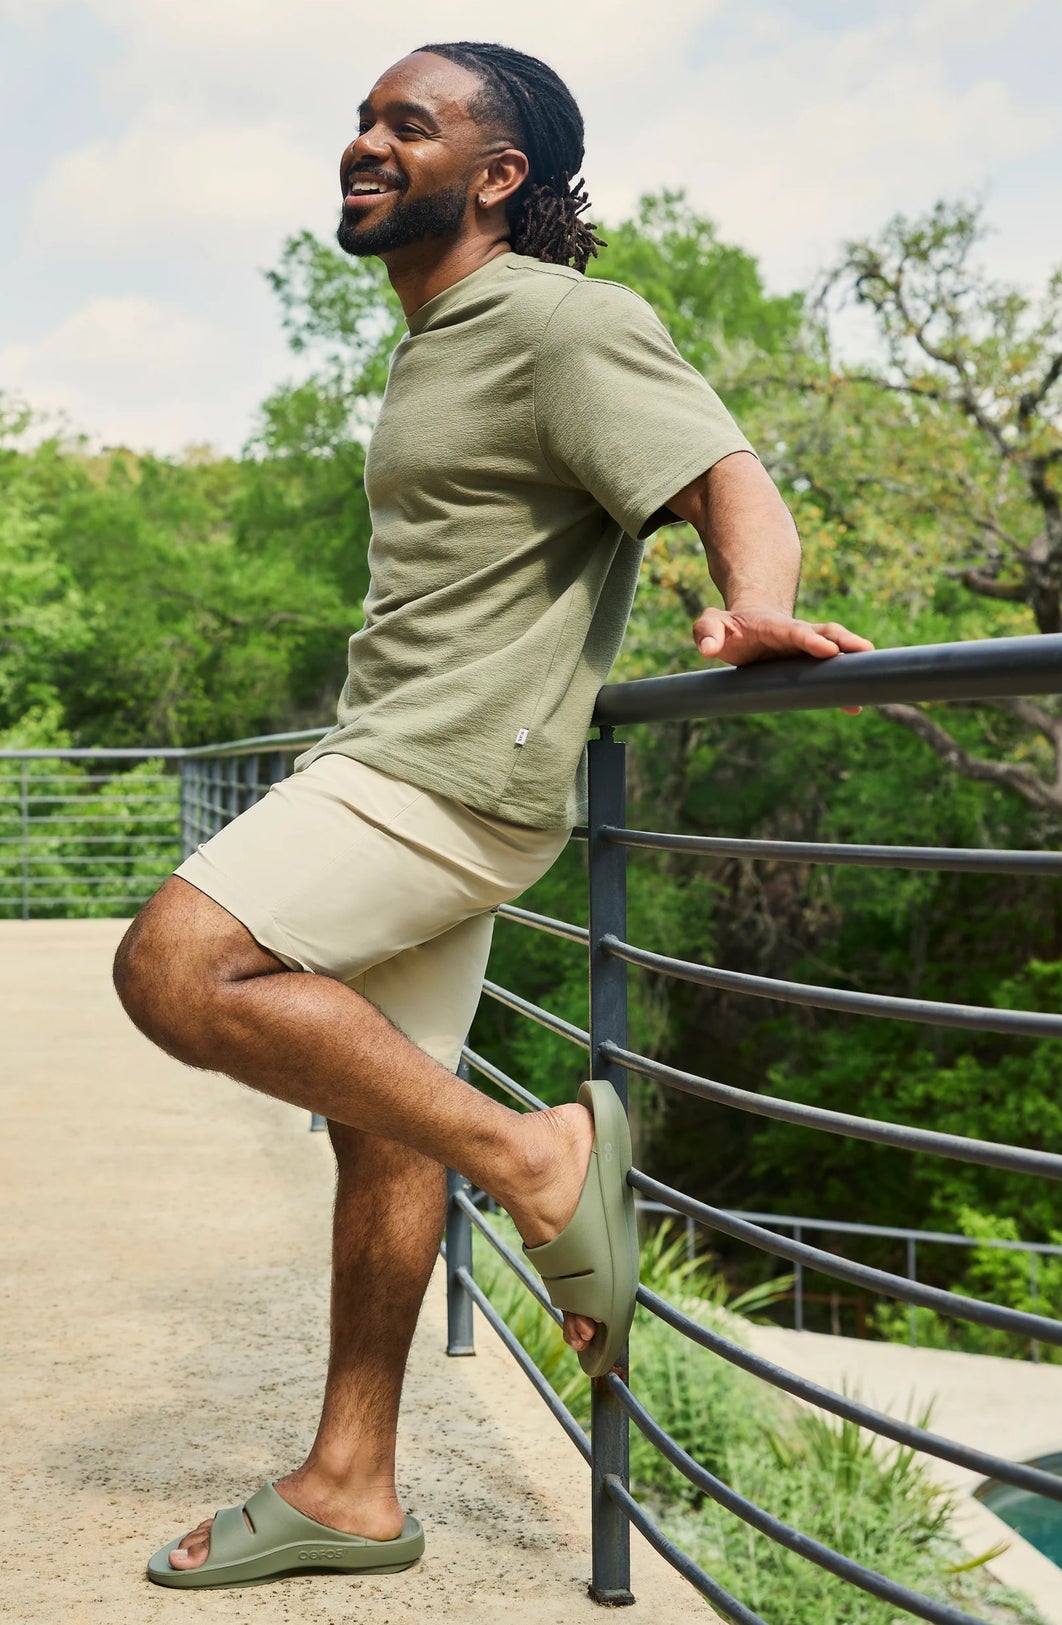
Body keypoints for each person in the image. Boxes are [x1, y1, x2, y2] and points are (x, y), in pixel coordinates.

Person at [114, 39, 872, 1590]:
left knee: (176, 965)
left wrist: (753, 602)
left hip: (446, 774)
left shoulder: (559, 317)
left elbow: (724, 472)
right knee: (387, 1118)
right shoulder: (438, 333)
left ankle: (535, 1158)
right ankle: (350, 1483)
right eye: (360, 120)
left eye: (410, 124)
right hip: (408, 754)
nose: (365, 143)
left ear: (498, 174)